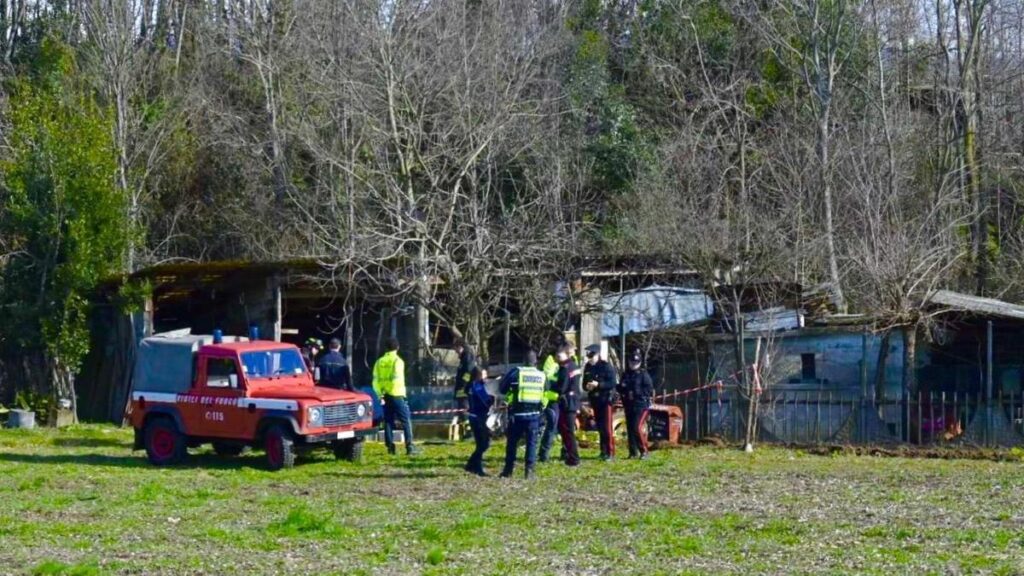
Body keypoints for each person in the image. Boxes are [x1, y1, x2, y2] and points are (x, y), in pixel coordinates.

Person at [498, 350, 546, 479]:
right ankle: (529, 472)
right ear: (536, 362)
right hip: (534, 415)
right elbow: (546, 390)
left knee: (512, 443)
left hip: (517, 414)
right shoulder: (542, 375)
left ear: (523, 361)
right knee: (531, 443)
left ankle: (508, 470)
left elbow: (502, 388)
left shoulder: (516, 372)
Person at [373, 337, 421, 456]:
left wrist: (380, 394)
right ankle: (410, 447)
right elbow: (397, 380)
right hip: (397, 394)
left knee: (388, 421)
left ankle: (390, 447)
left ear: (386, 348)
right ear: (397, 348)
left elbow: (375, 381)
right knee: (406, 420)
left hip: (384, 395)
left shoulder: (379, 362)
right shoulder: (398, 361)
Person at [583, 344, 618, 461]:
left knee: (607, 428)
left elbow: (612, 383)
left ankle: (610, 452)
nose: (589, 357)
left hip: (605, 400)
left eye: (591, 355)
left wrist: (599, 385)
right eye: (588, 355)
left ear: (597, 354)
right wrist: (587, 387)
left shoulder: (606, 366)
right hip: (595, 400)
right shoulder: (588, 367)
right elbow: (584, 383)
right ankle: (603, 451)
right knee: (600, 428)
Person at [618, 350, 654, 459]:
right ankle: (633, 452)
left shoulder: (643, 374)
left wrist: (636, 393)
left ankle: (644, 451)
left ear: (639, 363)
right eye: (631, 362)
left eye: (636, 362)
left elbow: (649, 390)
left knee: (637, 427)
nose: (633, 364)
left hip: (641, 405)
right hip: (629, 404)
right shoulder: (626, 374)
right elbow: (621, 387)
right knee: (630, 428)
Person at [555, 343, 583, 466]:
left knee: (568, 430)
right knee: (566, 429)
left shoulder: (566, 367)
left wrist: (551, 385)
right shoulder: (572, 365)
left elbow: (562, 387)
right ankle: (569, 454)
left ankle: (574, 457)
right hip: (572, 401)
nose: (556, 356)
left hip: (568, 402)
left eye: (558, 354)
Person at [464, 367, 493, 476]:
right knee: (483, 444)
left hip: (474, 417)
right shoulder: (477, 386)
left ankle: (472, 465)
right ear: (478, 375)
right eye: (484, 375)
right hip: (479, 418)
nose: (485, 377)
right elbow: (486, 401)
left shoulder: (471, 386)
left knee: (481, 444)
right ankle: (475, 466)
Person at [537, 348, 563, 463]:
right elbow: (549, 381)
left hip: (557, 399)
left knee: (557, 427)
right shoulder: (551, 364)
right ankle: (544, 454)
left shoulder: (560, 363)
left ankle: (563, 452)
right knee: (552, 426)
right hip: (551, 400)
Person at [453, 339, 477, 425]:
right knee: (461, 410)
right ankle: (463, 427)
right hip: (461, 389)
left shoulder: (467, 357)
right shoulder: (464, 358)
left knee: (464, 408)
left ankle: (468, 429)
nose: (456, 352)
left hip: (465, 389)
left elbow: (468, 372)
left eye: (456, 349)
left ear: (461, 347)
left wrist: (463, 384)